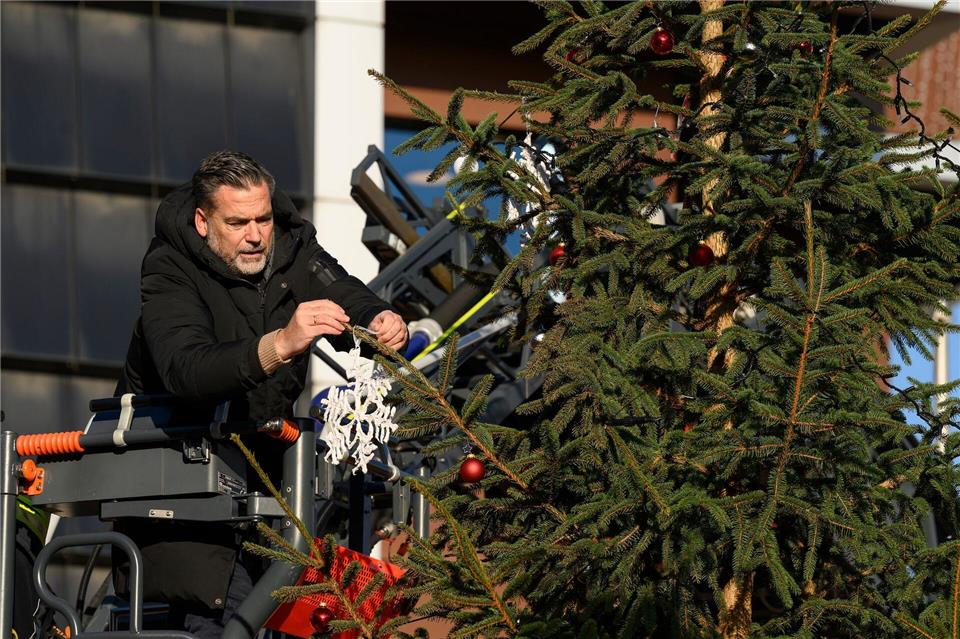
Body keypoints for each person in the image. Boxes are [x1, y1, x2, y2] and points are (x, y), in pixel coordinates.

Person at [113, 150, 407, 637]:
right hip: (187, 514)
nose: (255, 235)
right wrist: (280, 344)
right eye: (237, 223)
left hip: (270, 504)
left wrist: (378, 317)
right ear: (203, 222)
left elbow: (341, 289)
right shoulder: (169, 270)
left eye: (263, 219)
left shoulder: (292, 246)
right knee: (230, 621)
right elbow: (188, 371)